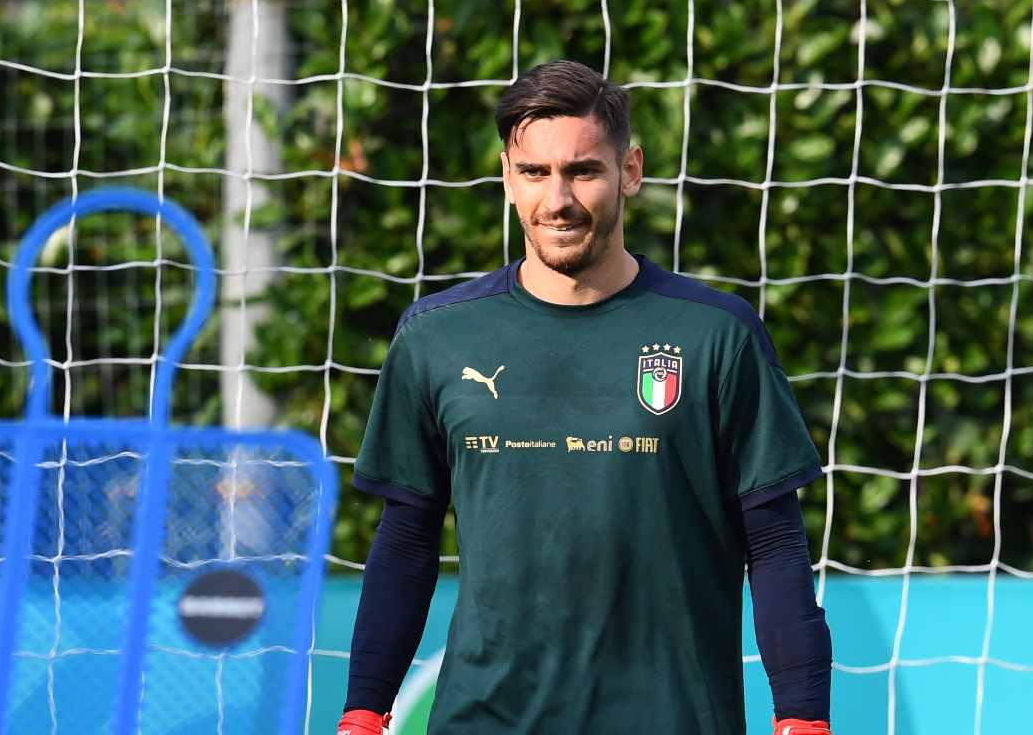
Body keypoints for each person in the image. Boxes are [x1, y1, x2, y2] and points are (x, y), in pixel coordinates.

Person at [336, 60, 833, 735]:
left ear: (629, 172)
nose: (557, 198)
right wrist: (364, 710)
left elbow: (774, 542)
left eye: (583, 171)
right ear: (509, 178)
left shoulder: (717, 334)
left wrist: (803, 717)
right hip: (484, 719)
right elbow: (406, 538)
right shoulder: (436, 337)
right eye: (535, 173)